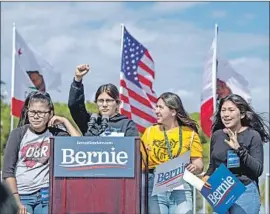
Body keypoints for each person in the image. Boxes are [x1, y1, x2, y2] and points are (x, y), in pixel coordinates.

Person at [3, 91, 81, 214]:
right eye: (33, 112)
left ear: (50, 114)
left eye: (41, 112)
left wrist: (65, 121)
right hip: (22, 196)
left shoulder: (55, 134)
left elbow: (80, 144)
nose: (36, 116)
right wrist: (16, 201)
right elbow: (8, 172)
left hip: (46, 196)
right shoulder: (18, 134)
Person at [202, 94, 269, 214]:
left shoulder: (253, 135)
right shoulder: (217, 135)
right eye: (223, 110)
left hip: (245, 191)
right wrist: (206, 177)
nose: (226, 114)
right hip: (221, 192)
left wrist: (239, 149)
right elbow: (213, 166)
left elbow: (258, 170)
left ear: (242, 114)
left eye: (231, 110)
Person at [141, 92, 204, 214]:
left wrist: (194, 167)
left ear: (173, 111)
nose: (156, 110)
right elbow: (140, 164)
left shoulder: (189, 133)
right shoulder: (149, 132)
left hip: (181, 187)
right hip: (155, 187)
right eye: (156, 107)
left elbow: (199, 164)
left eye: (160, 107)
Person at [68, 64, 139, 136]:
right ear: (96, 103)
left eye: (108, 101)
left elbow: (132, 146)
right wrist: (77, 80)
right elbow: (74, 106)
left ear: (117, 103)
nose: (104, 105)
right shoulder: (90, 121)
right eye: (101, 101)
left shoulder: (127, 125)